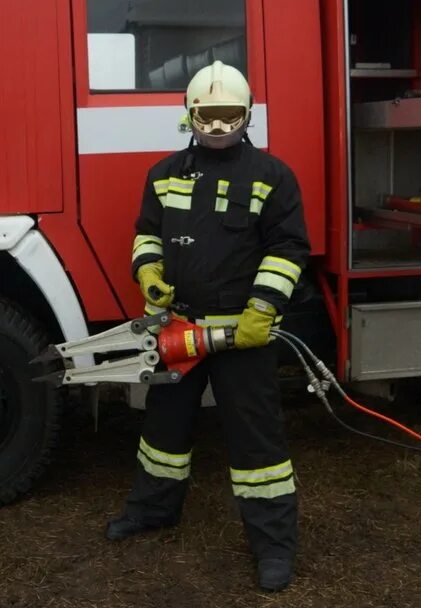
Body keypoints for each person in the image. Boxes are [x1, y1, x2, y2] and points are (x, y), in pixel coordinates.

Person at [105, 60, 310, 592]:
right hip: (179, 328)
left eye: (229, 116)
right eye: (208, 116)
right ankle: (152, 510)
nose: (218, 127)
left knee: (257, 441)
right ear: (189, 115)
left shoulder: (272, 177)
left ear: (248, 114)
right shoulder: (164, 173)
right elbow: (147, 233)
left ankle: (273, 545)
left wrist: (262, 309)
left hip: (243, 335)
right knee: (164, 428)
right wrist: (148, 273)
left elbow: (288, 249)